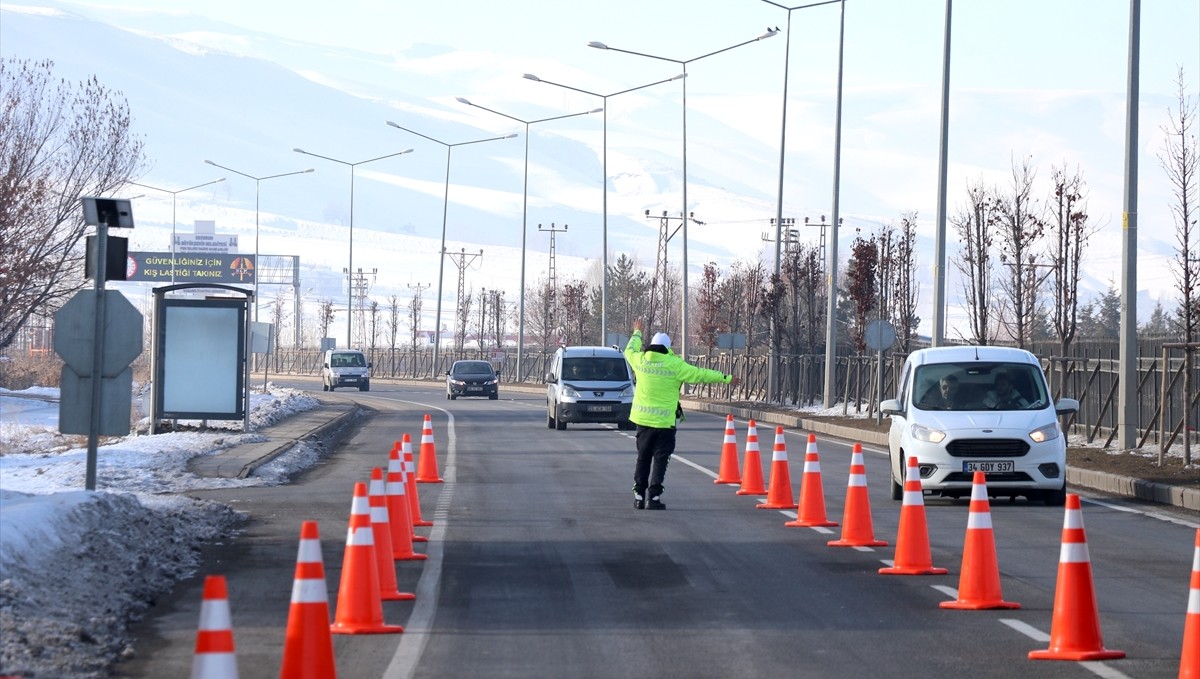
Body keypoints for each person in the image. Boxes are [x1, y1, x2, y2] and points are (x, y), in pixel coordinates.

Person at [624, 320, 737, 510]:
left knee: (643, 458)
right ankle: (654, 498)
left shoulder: (640, 360)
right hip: (664, 423)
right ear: (668, 348)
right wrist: (726, 378)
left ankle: (638, 497)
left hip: (643, 422)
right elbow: (700, 374)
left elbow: (629, 350)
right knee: (661, 460)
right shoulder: (675, 364)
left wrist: (637, 333)